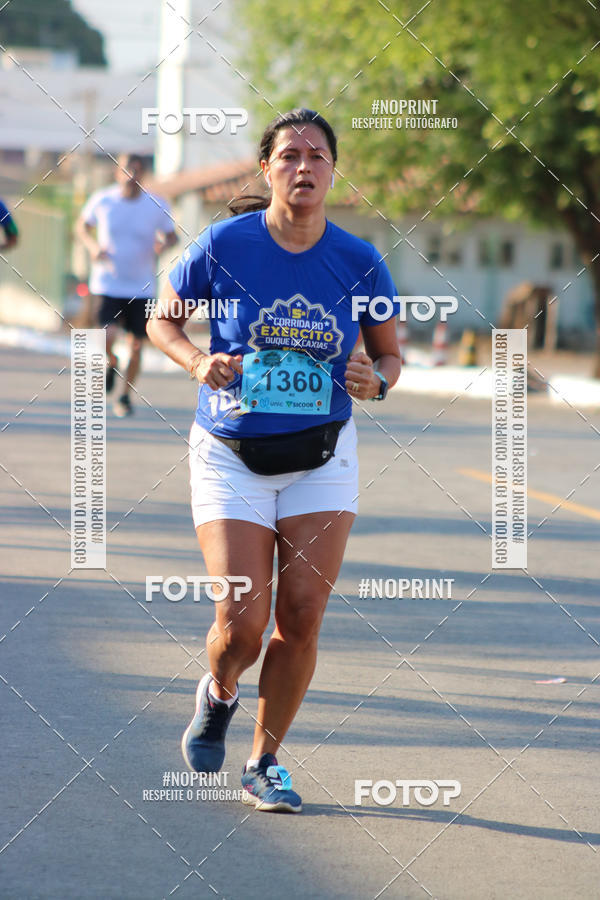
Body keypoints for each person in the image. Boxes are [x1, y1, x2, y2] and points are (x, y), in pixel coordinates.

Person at [147, 108, 401, 813]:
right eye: (289, 154)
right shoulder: (223, 244)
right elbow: (160, 319)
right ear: (268, 169)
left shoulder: (358, 259)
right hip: (230, 451)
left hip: (322, 454)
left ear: (332, 171)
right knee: (244, 623)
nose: (304, 166)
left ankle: (265, 762)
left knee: (302, 614)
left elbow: (388, 352)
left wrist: (375, 380)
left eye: (317, 155)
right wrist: (197, 359)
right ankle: (220, 690)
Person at [76, 153, 177, 416]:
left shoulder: (156, 204)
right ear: (117, 173)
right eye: (126, 170)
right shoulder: (103, 200)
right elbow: (82, 227)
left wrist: (163, 245)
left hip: (141, 286)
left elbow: (172, 235)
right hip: (107, 282)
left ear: (143, 175)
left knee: (136, 345)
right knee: (107, 336)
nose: (131, 176)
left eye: (137, 171)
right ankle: (111, 361)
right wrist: (92, 247)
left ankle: (124, 395)